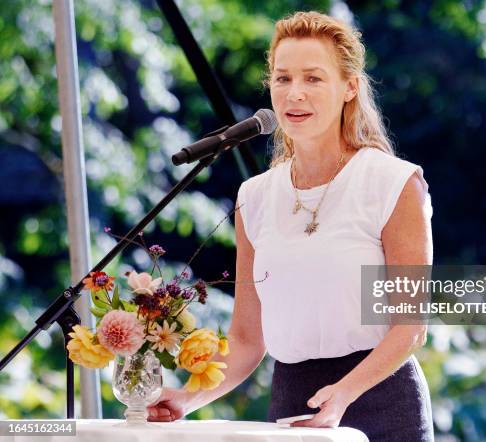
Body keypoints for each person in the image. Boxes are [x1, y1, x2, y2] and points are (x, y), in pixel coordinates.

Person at [147, 10, 434, 442]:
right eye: (282, 79)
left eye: (313, 79)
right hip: (290, 405)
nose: (294, 93)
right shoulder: (255, 197)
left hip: (380, 402)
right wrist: (189, 398)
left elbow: (410, 327)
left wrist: (343, 395)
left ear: (349, 88)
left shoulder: (393, 183)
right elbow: (246, 340)